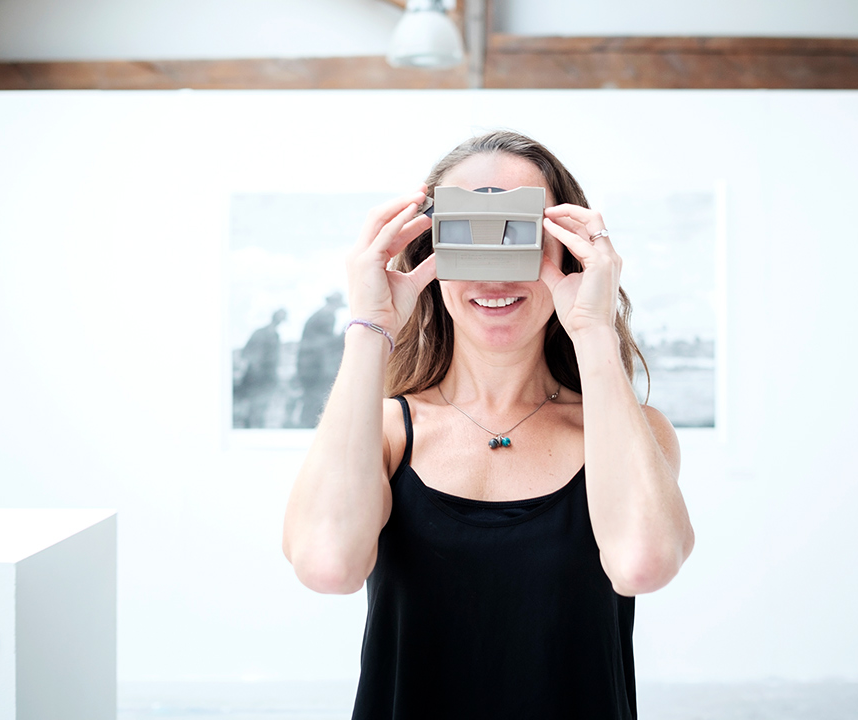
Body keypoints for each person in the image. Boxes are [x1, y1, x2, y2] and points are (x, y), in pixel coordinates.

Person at [282, 132, 694, 719]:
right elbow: (328, 566)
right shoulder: (388, 433)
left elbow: (642, 564)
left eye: (518, 229)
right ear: (429, 249)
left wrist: (594, 329)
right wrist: (371, 325)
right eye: (466, 231)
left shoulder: (633, 432)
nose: (494, 274)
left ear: (567, 248)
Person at [294, 292, 346, 427]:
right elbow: (324, 344)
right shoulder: (326, 316)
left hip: (308, 366)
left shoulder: (319, 315)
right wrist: (342, 336)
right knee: (315, 400)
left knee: (311, 400)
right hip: (314, 368)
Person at [233, 308, 286, 428]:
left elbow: (247, 354)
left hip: (261, 377)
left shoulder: (268, 334)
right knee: (256, 410)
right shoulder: (266, 334)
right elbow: (251, 355)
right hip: (260, 378)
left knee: (257, 409)